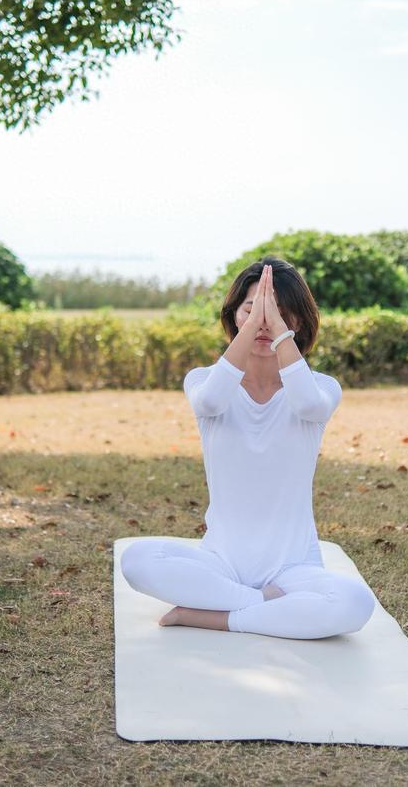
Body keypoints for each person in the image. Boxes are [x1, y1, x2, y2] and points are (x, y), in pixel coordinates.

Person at [120, 258, 376, 639]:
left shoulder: (321, 387)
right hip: (221, 562)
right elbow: (211, 403)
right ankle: (261, 606)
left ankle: (216, 615)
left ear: (299, 323)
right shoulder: (204, 380)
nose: (264, 323)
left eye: (279, 314)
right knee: (136, 561)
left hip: (292, 568)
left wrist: (277, 331)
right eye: (251, 309)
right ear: (234, 315)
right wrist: (258, 322)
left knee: (355, 604)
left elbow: (307, 407)